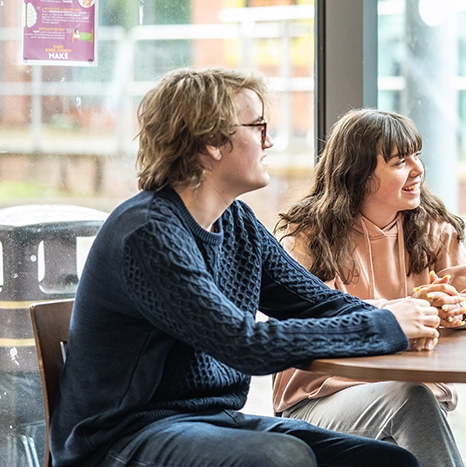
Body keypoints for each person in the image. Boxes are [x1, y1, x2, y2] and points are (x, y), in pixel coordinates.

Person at [50, 68, 439, 467]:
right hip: (124, 438)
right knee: (282, 457)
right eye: (258, 127)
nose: (269, 141)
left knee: (387, 461)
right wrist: (385, 325)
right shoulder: (149, 233)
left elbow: (316, 302)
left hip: (211, 422)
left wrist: (402, 319)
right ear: (211, 142)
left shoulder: (237, 222)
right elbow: (245, 344)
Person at [272, 108, 466, 467]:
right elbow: (316, 315)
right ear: (359, 174)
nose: (417, 169)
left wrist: (458, 309)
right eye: (399, 161)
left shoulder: (432, 228)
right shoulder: (310, 236)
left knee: (413, 398)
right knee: (411, 399)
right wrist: (408, 309)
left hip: (411, 393)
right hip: (319, 397)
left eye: (417, 156)